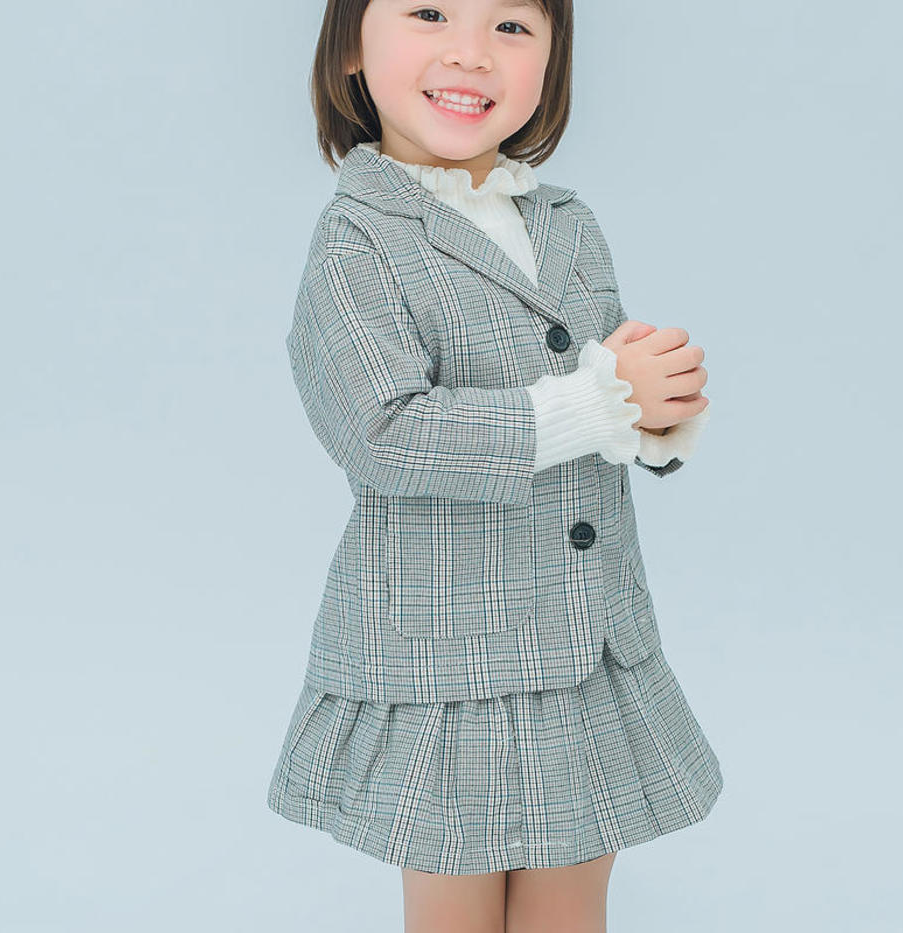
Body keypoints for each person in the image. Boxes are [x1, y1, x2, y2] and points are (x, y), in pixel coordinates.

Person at [266, 1, 723, 929]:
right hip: (450, 654)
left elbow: (604, 385)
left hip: (585, 640)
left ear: (553, 56)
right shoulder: (358, 240)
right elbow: (384, 434)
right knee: (458, 897)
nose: (470, 53)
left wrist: (655, 411)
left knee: (572, 892)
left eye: (512, 26)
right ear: (351, 44)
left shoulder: (566, 222)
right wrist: (603, 400)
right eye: (430, 12)